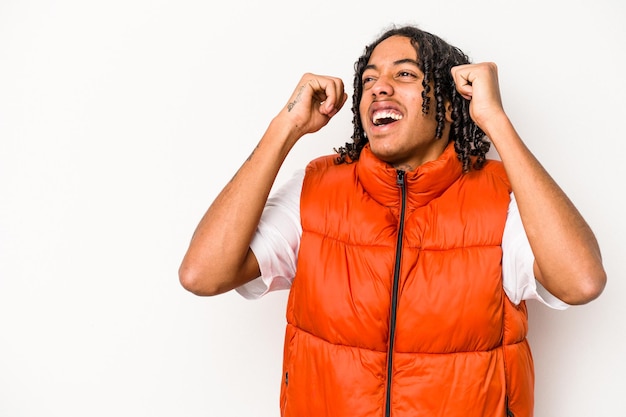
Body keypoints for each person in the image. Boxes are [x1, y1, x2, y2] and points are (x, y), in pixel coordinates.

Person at [178, 25, 606, 417]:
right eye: (368, 79)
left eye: (404, 75)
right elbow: (203, 274)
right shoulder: (317, 189)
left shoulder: (500, 197)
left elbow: (580, 281)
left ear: (451, 105)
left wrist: (496, 121)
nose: (379, 87)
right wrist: (285, 127)